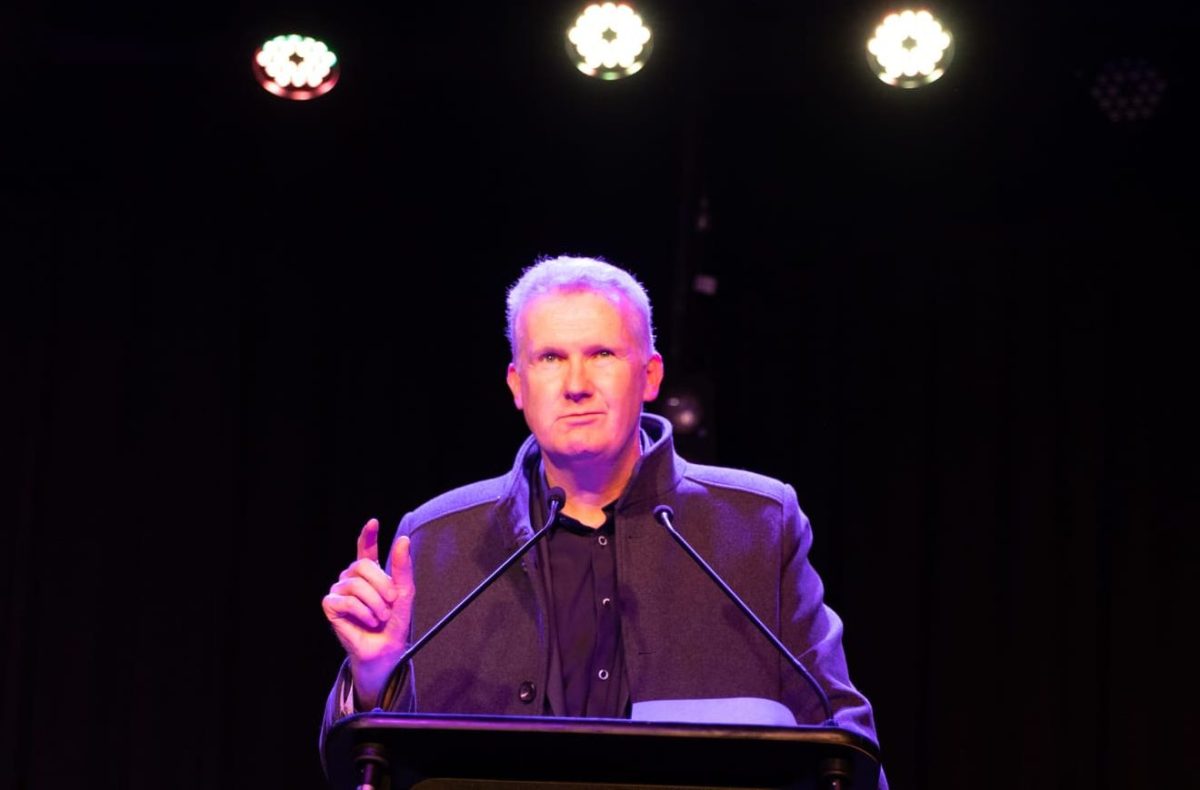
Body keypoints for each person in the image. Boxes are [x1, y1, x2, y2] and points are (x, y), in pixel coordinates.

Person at [320, 255, 886, 786]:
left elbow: (844, 737)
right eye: (550, 358)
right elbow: (360, 767)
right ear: (518, 385)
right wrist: (373, 679)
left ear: (651, 375)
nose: (575, 384)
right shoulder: (437, 540)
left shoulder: (758, 525)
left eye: (602, 354)